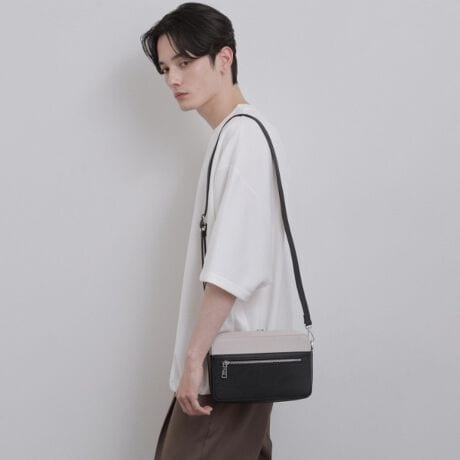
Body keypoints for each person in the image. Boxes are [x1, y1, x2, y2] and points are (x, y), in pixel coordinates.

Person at [140, 3, 306, 458]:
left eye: (185, 62)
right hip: (232, 366)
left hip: (224, 370)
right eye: (165, 68)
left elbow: (233, 266)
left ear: (224, 59)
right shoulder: (238, 135)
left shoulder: (243, 138)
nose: (172, 79)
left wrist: (194, 359)